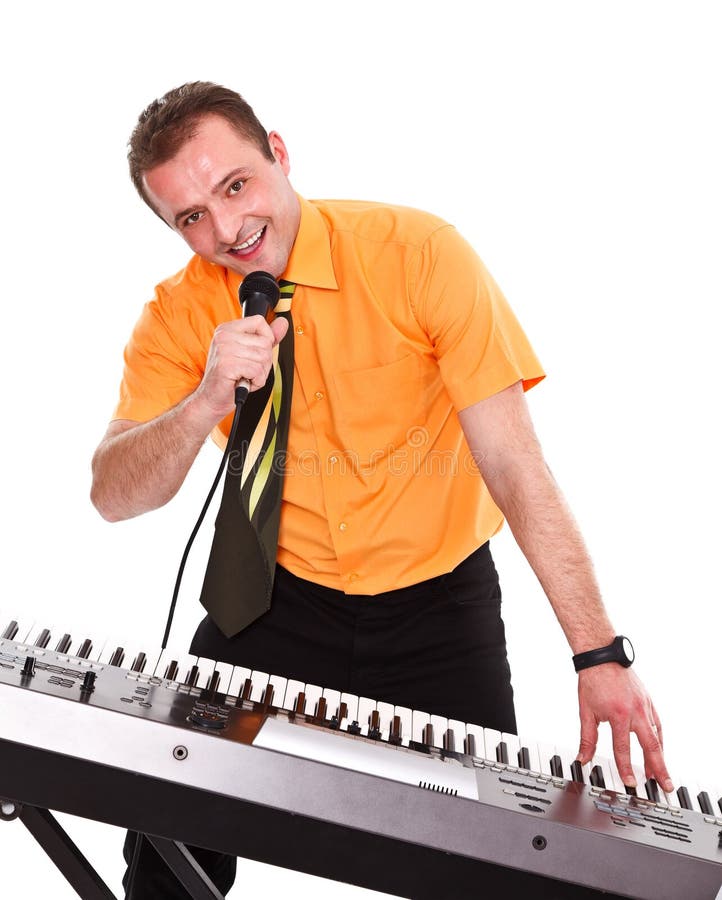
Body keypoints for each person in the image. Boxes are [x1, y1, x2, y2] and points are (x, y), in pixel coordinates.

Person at [91, 81, 672, 898]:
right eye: (190, 218)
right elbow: (113, 494)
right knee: (165, 831)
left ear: (280, 155)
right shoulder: (178, 316)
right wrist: (203, 404)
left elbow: (515, 467)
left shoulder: (418, 254)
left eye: (235, 186)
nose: (225, 230)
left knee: (492, 862)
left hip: (439, 605)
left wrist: (600, 654)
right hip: (273, 600)